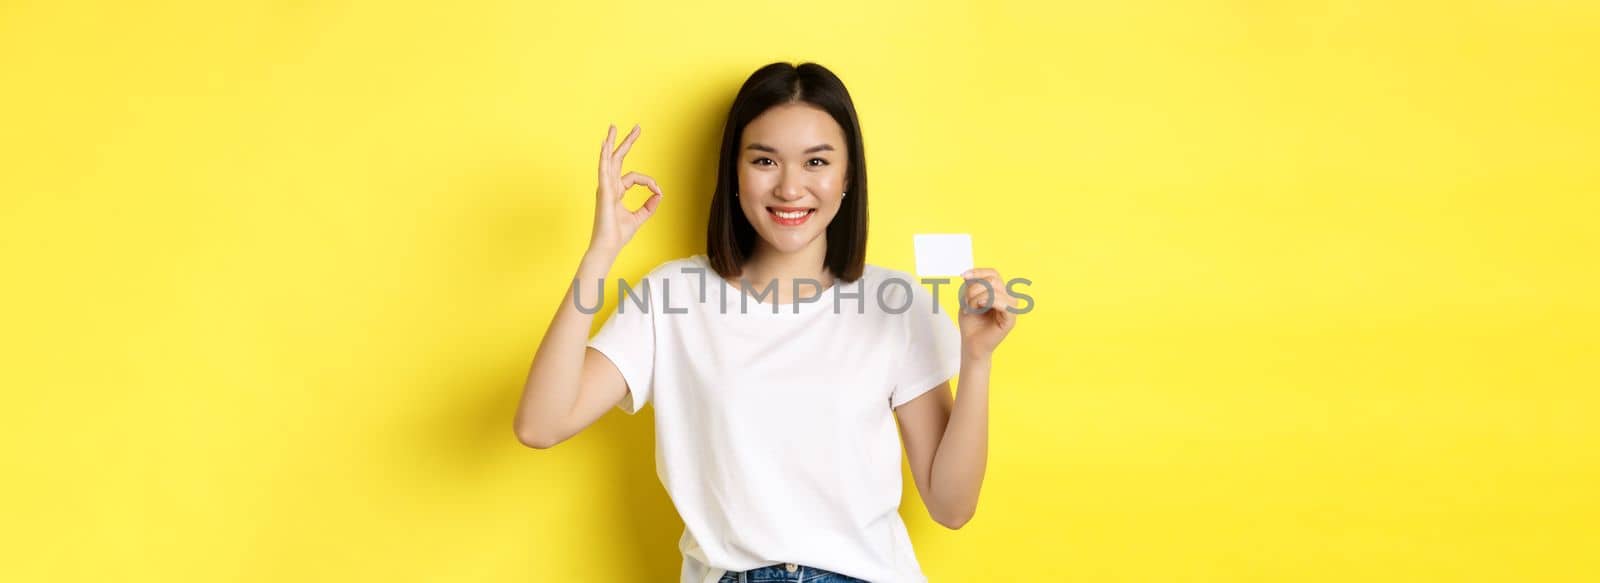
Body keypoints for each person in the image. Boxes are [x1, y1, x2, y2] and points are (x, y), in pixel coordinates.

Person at [514, 62, 1019, 583]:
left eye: (816, 161)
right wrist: (601, 253)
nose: (790, 187)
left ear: (847, 177)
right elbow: (541, 425)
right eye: (764, 161)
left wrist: (976, 361)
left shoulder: (895, 301)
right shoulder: (672, 296)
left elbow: (951, 507)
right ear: (735, 172)